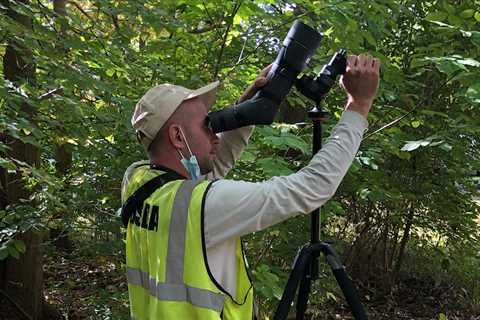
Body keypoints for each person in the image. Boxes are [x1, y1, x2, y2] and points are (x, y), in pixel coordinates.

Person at [121, 54, 380, 319]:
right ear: (178, 136)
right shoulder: (205, 206)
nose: (214, 133)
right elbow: (313, 186)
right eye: (206, 125)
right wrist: (358, 106)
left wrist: (247, 109)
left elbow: (204, 172)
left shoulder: (136, 181)